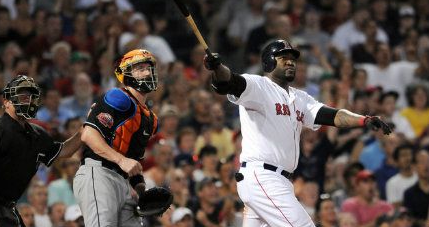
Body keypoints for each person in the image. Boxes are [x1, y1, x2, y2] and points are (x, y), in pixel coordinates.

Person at [203, 39, 392, 226]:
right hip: (263, 177)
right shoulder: (259, 86)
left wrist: (363, 119)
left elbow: (332, 116)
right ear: (269, 61)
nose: (290, 61)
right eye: (283, 57)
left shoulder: (299, 97)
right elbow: (230, 81)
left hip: (278, 181)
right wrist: (217, 68)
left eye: (293, 58)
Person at [0, 75, 82, 227]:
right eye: (22, 96)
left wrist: (87, 128)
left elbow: (65, 151)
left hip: (7, 208)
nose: (27, 100)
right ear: (6, 102)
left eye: (30, 97)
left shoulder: (37, 134)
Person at [73, 49, 159, 227]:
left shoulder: (151, 119)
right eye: (140, 68)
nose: (147, 72)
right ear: (125, 75)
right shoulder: (118, 97)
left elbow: (132, 161)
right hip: (98, 173)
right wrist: (121, 161)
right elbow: (88, 134)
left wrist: (142, 191)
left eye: (149, 68)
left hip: (122, 182)